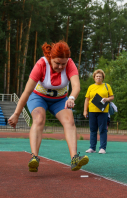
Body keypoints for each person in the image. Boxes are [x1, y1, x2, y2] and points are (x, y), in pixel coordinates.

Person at [8, 41, 89, 172]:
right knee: (39, 118)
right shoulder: (41, 64)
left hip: (60, 100)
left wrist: (71, 98)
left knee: (69, 120)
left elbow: (76, 86)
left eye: (63, 63)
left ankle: (74, 158)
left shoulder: (70, 64)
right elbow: (27, 92)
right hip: (38, 98)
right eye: (57, 63)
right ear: (50, 58)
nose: (61, 66)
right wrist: (16, 114)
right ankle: (34, 157)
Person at [83, 69, 114, 154]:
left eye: (100, 76)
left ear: (103, 78)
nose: (98, 78)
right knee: (93, 130)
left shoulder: (107, 86)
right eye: (97, 76)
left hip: (103, 112)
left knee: (103, 130)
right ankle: (92, 148)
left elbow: (112, 97)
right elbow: (87, 99)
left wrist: (107, 99)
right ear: (94, 77)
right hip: (92, 111)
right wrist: (85, 110)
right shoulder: (91, 87)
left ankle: (102, 148)